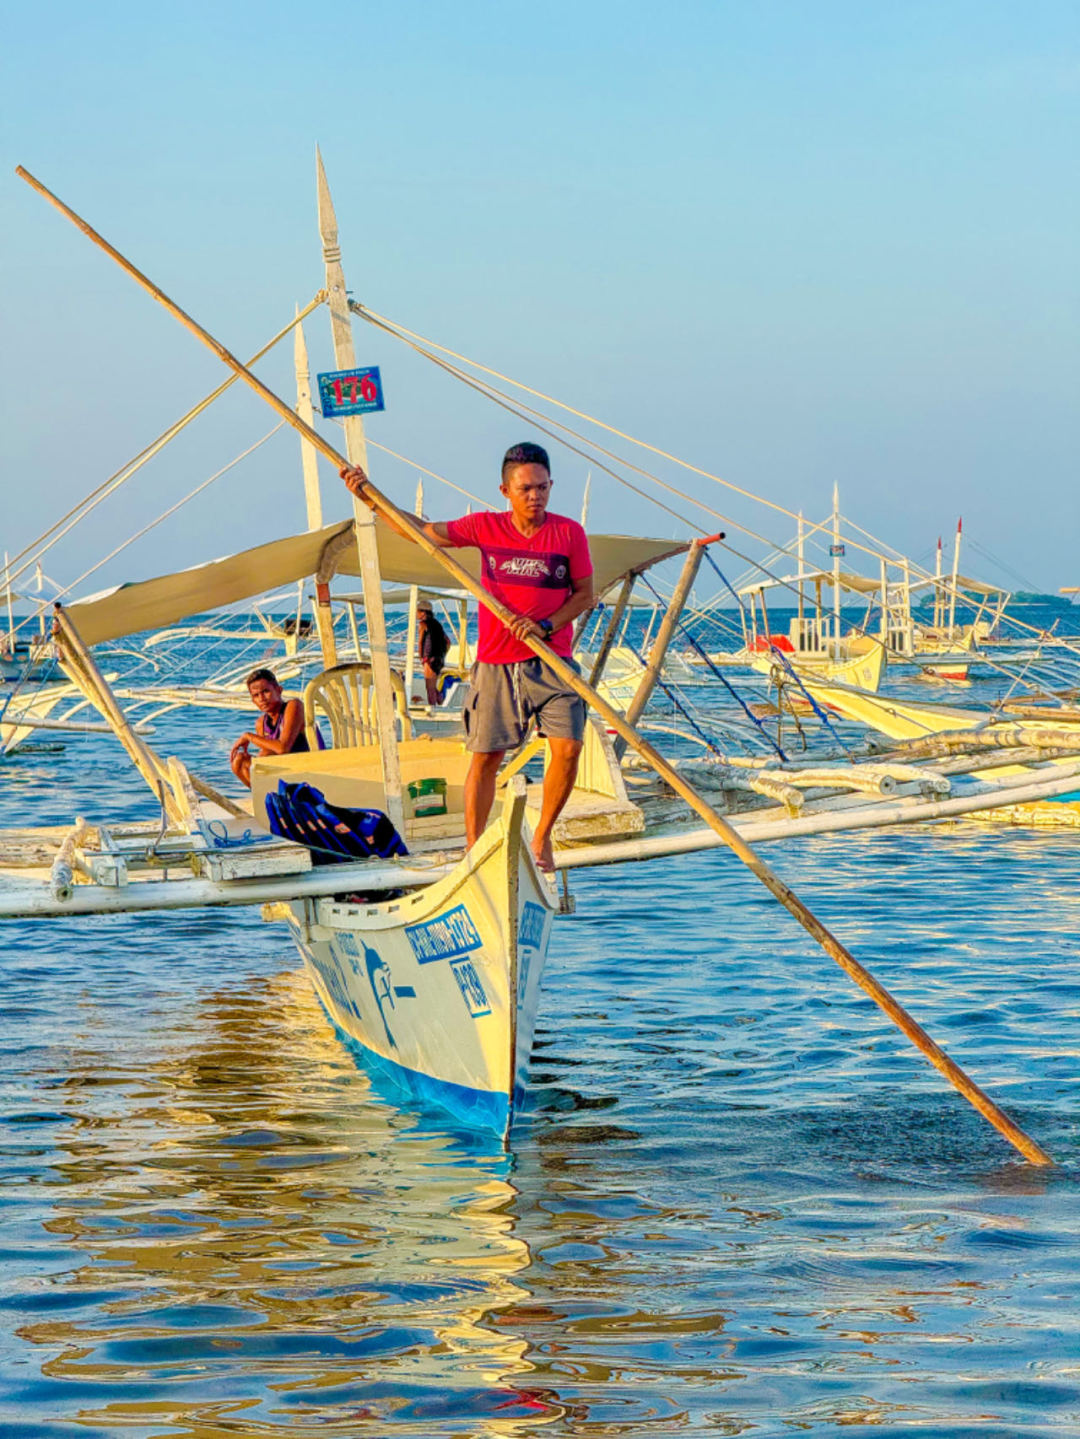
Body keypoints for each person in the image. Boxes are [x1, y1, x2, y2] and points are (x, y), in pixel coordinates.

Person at [342, 441, 593, 872]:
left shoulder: (568, 533)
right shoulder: (485, 527)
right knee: (486, 757)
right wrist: (369, 495)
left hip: (552, 659)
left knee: (568, 749)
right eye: (526, 489)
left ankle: (542, 836)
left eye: (543, 488)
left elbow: (585, 595)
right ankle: (475, 849)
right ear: (505, 490)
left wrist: (546, 625)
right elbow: (421, 531)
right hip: (498, 663)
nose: (535, 496)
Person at [230, 667, 313, 788]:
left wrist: (248, 736)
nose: (261, 698)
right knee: (239, 761)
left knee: (265, 756)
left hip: (306, 768)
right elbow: (268, 752)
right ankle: (265, 795)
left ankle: (270, 795)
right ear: (253, 700)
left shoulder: (293, 706)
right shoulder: (261, 723)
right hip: (282, 772)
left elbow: (282, 748)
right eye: (256, 695)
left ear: (279, 690)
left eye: (266, 691)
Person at [417, 599, 449, 706]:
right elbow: (448, 642)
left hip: (429, 658)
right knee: (433, 687)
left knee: (429, 688)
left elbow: (421, 642)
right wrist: (442, 653)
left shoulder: (422, 624)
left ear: (423, 612)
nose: (416, 614)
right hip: (439, 659)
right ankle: (442, 706)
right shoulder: (437, 624)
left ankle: (434, 711)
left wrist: (421, 657)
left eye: (417, 611)